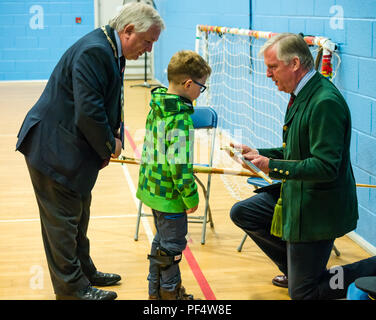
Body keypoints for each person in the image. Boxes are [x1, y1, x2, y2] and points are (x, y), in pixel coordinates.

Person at [15, 2, 165, 300]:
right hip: (53, 149)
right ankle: (73, 291)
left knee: (78, 216)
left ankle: (84, 272)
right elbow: (89, 113)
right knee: (63, 224)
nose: (149, 50)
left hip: (70, 148)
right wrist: (110, 146)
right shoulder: (95, 51)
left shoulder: (110, 47)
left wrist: (118, 133)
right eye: (148, 42)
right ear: (129, 30)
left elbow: (113, 98)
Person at [229, 33, 376, 300]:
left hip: (318, 208)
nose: (267, 74)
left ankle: (371, 268)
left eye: (272, 67)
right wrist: (259, 153)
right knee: (244, 212)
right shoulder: (303, 93)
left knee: (304, 295)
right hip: (299, 195)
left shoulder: (324, 102)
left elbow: (325, 166)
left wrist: (272, 166)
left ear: (295, 63)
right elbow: (296, 150)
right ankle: (296, 271)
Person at [136, 50, 211, 300]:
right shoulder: (179, 118)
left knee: (161, 243)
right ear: (189, 84)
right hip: (169, 196)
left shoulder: (158, 105)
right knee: (173, 248)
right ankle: (170, 294)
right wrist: (190, 197)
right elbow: (178, 166)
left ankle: (154, 292)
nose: (201, 91)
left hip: (153, 190)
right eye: (201, 86)